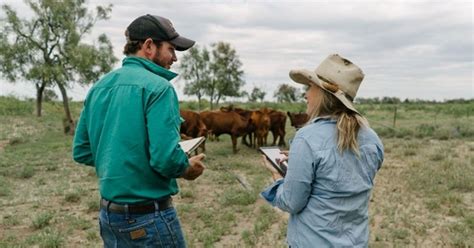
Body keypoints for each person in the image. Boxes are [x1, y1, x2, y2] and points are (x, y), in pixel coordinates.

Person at [73, 14, 205, 247]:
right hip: (149, 217)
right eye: (171, 49)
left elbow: (82, 151)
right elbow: (166, 159)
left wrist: (120, 161)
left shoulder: (99, 87)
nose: (175, 57)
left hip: (109, 216)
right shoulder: (159, 88)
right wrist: (187, 168)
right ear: (149, 46)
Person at [261, 54, 384, 247]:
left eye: (310, 87)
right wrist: (302, 160)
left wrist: (278, 175)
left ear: (323, 94)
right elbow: (343, 171)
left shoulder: (306, 138)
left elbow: (292, 202)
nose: (306, 94)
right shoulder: (372, 139)